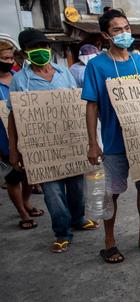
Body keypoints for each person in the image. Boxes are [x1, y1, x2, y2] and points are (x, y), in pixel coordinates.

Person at [82, 9, 140, 264]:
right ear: (106, 34)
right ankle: (109, 242)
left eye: (126, 28)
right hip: (114, 142)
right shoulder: (97, 66)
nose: (124, 33)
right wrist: (92, 143)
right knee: (113, 192)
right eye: (117, 30)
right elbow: (91, 105)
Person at [8, 29, 99, 252]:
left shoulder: (63, 73)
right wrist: (14, 149)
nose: (42, 51)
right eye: (34, 48)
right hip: (43, 150)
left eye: (45, 47)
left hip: (70, 142)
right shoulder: (20, 81)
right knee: (53, 193)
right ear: (25, 53)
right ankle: (61, 231)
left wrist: (91, 140)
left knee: (77, 186)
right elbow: (13, 117)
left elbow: (79, 105)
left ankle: (78, 219)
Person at [0, 39, 43, 229]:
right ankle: (22, 212)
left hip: (26, 132)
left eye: (10, 58)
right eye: (4, 58)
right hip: (2, 136)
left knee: (29, 174)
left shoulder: (19, 77)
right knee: (13, 176)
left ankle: (26, 201)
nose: (8, 61)